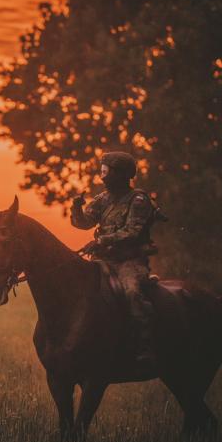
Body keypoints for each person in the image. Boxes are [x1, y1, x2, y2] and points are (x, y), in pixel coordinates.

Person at [70, 151, 159, 369]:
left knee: (132, 292)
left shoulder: (138, 201)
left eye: (106, 171)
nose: (102, 176)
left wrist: (101, 241)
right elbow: (83, 223)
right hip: (102, 261)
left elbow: (133, 232)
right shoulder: (103, 199)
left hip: (129, 262)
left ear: (119, 174)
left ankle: (145, 345)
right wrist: (76, 208)